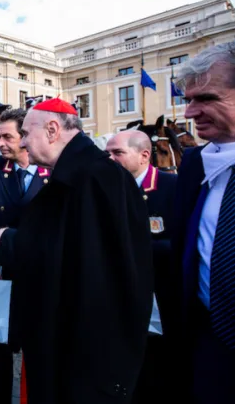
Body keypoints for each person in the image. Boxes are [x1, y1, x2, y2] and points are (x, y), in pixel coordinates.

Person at [0, 98, 153, 404]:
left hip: (83, 348)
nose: (25, 144)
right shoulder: (82, 173)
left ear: (52, 129)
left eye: (27, 134)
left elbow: (72, 256)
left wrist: (7, 242)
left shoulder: (89, 178)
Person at [0, 108, 49, 404]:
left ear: (25, 137)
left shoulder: (52, 172)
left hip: (36, 280)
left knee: (38, 358)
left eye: (7, 137)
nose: (0, 142)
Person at [172, 41, 235, 404]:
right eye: (188, 99)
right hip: (206, 345)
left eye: (206, 98)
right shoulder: (195, 164)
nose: (191, 112)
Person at [106, 130, 178, 404]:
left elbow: (183, 243)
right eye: (108, 154)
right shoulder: (106, 187)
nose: (110, 159)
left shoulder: (171, 187)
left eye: (118, 153)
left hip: (159, 305)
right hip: (116, 306)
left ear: (144, 155)